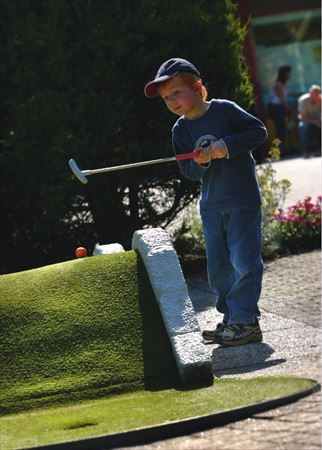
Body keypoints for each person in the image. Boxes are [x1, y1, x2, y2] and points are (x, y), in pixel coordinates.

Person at [144, 58, 268, 347]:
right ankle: (231, 319)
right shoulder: (180, 130)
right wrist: (200, 163)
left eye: (176, 93)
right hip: (211, 205)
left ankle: (245, 321)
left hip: (241, 199)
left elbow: (257, 132)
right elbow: (188, 172)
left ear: (197, 87)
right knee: (220, 268)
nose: (171, 101)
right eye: (165, 98)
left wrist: (223, 147)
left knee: (244, 261)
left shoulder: (224, 110)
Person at [267, 65, 293, 153]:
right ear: (285, 74)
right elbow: (282, 100)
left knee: (283, 129)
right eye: (289, 72)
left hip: (279, 108)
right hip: (275, 108)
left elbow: (288, 94)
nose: (291, 74)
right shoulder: (278, 84)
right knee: (281, 129)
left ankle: (281, 150)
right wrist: (289, 110)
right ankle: (276, 152)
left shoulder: (283, 84)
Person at [298, 85, 321, 158]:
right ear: (310, 94)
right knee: (304, 127)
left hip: (318, 119)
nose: (316, 96)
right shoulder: (303, 100)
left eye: (317, 94)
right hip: (306, 120)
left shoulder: (320, 99)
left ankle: (320, 150)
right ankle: (305, 152)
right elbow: (303, 117)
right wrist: (314, 122)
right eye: (314, 94)